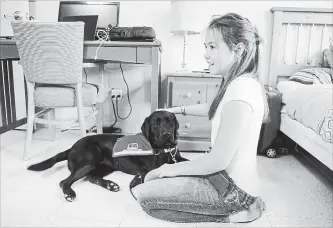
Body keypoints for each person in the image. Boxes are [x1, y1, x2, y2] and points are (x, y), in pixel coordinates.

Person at [132, 13, 268, 223]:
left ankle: (239, 212)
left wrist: (168, 170)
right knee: (151, 183)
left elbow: (218, 160)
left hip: (233, 192)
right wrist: (176, 109)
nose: (206, 54)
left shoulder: (241, 89)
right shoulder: (240, 84)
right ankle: (243, 206)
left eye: (212, 47)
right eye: (206, 47)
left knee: (144, 197)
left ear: (239, 49)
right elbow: (213, 108)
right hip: (224, 179)